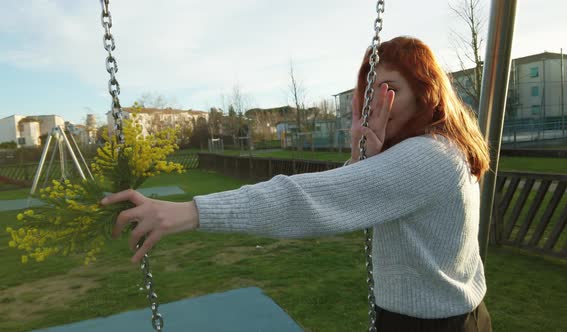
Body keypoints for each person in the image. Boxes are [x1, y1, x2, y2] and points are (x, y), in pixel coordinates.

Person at [102, 36, 493, 331]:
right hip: (439, 315)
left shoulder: (429, 155)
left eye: (391, 89)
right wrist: (362, 160)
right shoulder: (430, 150)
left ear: (427, 92)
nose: (377, 103)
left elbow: (308, 200)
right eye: (369, 92)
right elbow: (359, 194)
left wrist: (190, 212)